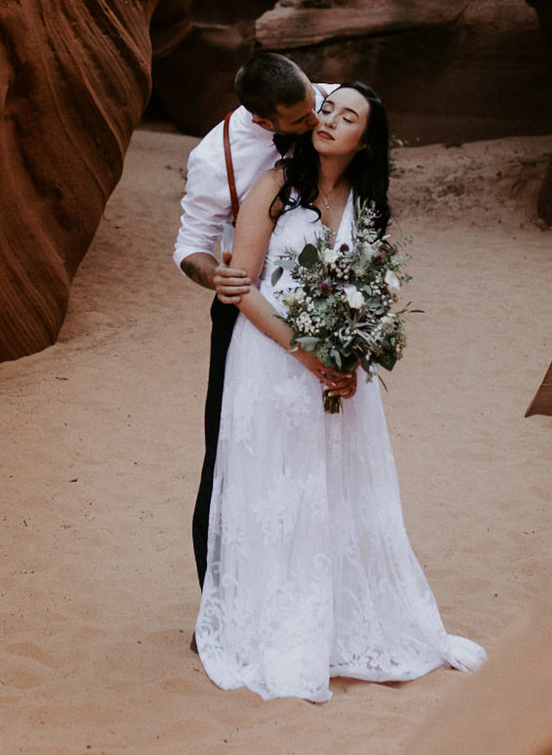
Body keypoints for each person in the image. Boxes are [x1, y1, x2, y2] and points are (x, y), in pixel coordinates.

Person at [193, 82, 483, 702]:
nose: (328, 120)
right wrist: (307, 351)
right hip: (271, 359)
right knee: (279, 484)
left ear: (365, 138)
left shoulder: (369, 204)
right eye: (327, 108)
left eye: (347, 116)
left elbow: (373, 290)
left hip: (337, 373)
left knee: (340, 489)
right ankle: (279, 623)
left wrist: (351, 356)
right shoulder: (275, 184)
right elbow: (242, 286)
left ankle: (340, 622)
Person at [174, 53, 344, 587]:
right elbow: (192, 246)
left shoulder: (332, 101)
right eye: (299, 120)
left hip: (326, 299)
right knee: (228, 450)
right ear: (265, 122)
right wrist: (213, 278)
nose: (316, 121)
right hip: (247, 309)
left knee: (321, 447)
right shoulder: (214, 157)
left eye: (314, 104)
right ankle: (220, 600)